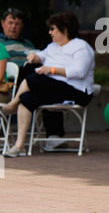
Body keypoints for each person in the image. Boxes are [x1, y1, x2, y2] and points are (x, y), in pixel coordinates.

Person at [2, 11, 95, 157]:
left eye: (53, 29)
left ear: (64, 29)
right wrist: (34, 56)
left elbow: (80, 71)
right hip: (55, 89)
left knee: (37, 78)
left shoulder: (81, 47)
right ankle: (19, 145)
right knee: (27, 98)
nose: (50, 32)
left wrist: (51, 69)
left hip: (78, 91)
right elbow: (42, 56)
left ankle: (13, 103)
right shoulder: (53, 46)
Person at [0, 8, 67, 150]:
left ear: (22, 26)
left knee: (49, 85)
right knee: (38, 76)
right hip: (13, 81)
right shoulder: (0, 43)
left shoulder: (28, 44)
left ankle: (53, 137)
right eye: (10, 23)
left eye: (17, 24)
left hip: (33, 78)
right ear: (2, 24)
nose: (13, 27)